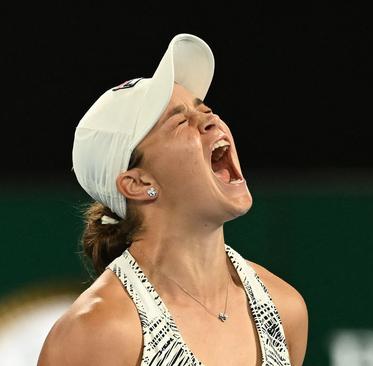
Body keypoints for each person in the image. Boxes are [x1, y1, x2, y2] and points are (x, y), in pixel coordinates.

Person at [37, 33, 308, 365]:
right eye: (181, 122)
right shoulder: (98, 332)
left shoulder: (284, 310)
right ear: (139, 183)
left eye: (206, 110)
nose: (211, 121)